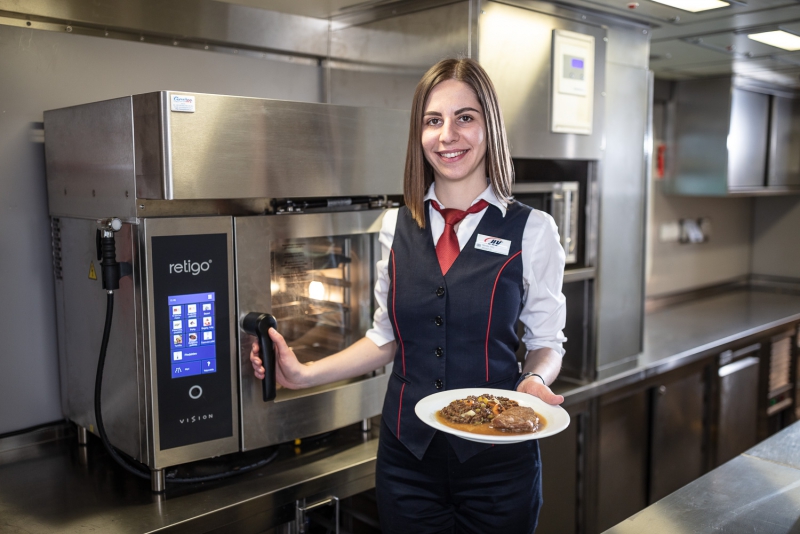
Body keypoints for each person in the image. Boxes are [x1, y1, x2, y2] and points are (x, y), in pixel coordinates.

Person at [250, 57, 566, 534]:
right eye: (433, 120)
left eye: (465, 118)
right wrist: (302, 373)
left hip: (498, 466)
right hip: (407, 463)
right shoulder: (395, 226)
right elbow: (386, 337)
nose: (447, 135)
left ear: (490, 127)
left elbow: (547, 341)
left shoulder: (533, 230)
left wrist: (535, 380)